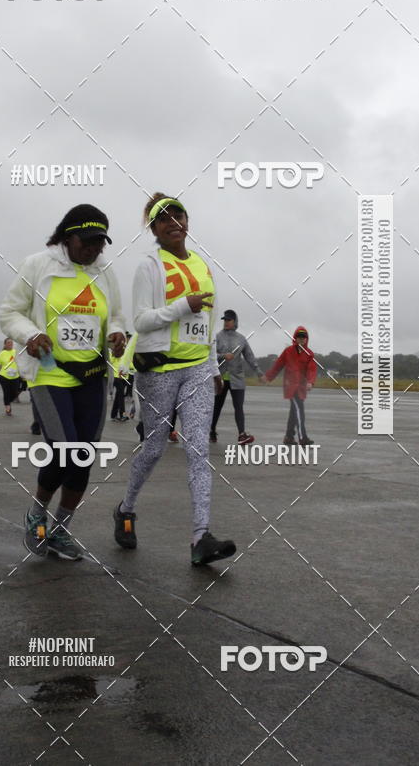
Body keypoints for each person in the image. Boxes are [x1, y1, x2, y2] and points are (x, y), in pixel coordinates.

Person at [114, 193, 236, 566]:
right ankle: (125, 508)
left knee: (198, 449)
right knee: (154, 448)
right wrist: (184, 305)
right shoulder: (150, 266)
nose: (172, 222)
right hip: (161, 368)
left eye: (177, 215)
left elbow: (209, 323)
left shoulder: (202, 265)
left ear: (187, 222)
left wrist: (214, 367)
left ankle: (201, 536)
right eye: (162, 218)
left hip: (198, 367)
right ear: (153, 229)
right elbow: (141, 320)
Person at [0, 204, 126, 560]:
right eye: (86, 241)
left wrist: (117, 333)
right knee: (65, 448)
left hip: (92, 376)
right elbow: (9, 312)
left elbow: (115, 315)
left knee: (83, 456)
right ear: (67, 237)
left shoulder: (104, 272)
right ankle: (36, 515)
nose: (93, 249)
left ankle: (60, 530)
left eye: (100, 242)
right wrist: (30, 334)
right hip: (51, 371)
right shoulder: (38, 266)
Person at [211, 309, 265, 444]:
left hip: (237, 379)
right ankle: (211, 431)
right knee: (217, 406)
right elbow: (210, 355)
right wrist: (223, 356)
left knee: (238, 407)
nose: (226, 322)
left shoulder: (241, 338)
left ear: (235, 322)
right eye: (224, 320)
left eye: (229, 320)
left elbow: (249, 356)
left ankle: (242, 434)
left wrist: (259, 372)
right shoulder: (217, 337)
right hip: (220, 378)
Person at [265, 326, 317, 445]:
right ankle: (303, 438)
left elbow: (312, 369)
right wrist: (268, 377)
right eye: (299, 336)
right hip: (291, 387)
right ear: (295, 338)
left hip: (301, 388)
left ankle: (288, 437)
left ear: (307, 339)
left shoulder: (309, 354)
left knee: (294, 412)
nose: (302, 339)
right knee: (299, 411)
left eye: (304, 337)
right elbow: (278, 365)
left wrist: (310, 381)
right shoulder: (288, 351)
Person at [0, 338, 21, 415]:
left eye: (11, 343)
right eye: (9, 343)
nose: (10, 344)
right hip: (4, 377)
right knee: (6, 392)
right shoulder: (2, 353)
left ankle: (8, 402)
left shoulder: (16, 352)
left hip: (15, 377)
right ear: (5, 344)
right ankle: (8, 407)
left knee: (15, 393)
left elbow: (21, 363)